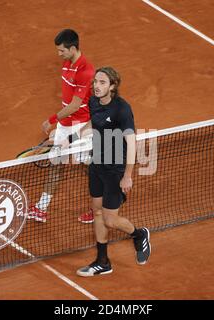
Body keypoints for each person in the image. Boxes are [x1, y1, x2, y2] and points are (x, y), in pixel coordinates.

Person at [76, 67, 151, 277]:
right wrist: (74, 138)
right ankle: (103, 261)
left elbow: (131, 142)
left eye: (102, 83)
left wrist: (127, 175)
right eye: (95, 82)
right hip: (97, 165)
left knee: (110, 220)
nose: (96, 86)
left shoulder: (122, 109)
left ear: (112, 86)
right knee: (97, 212)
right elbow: (94, 123)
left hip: (116, 170)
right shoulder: (93, 101)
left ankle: (139, 235)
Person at [27, 29, 95, 223]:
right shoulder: (67, 64)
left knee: (89, 167)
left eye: (62, 51)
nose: (59, 55)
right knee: (55, 164)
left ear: (72, 48)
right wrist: (61, 126)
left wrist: (51, 120)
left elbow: (75, 105)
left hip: (80, 125)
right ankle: (41, 208)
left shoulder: (85, 70)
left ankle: (98, 207)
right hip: (66, 125)